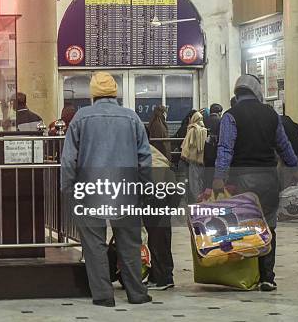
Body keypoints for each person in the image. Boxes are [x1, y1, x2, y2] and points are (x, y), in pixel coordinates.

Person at [61, 72, 152, 307]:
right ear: (115, 92)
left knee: (94, 246)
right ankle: (137, 294)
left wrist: (68, 190)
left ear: (93, 94)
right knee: (130, 244)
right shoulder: (132, 118)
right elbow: (144, 158)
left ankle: (103, 296)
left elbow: (69, 160)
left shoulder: (81, 118)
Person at [212, 74, 298, 292]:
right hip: (269, 179)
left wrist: (219, 177)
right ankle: (267, 277)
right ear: (257, 91)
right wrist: (296, 170)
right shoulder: (271, 114)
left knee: (243, 226)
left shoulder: (231, 116)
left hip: (242, 180)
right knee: (269, 226)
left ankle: (248, 275)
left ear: (237, 92)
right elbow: (284, 146)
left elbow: (225, 148)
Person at [143, 145, 179, 290]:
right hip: (167, 195)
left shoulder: (139, 151)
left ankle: (161, 278)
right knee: (161, 238)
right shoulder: (152, 150)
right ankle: (165, 276)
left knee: (157, 239)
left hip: (157, 197)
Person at [181, 111, 207, 201]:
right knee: (201, 179)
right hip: (202, 158)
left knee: (193, 180)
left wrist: (184, 156)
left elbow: (186, 145)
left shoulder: (192, 130)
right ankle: (202, 197)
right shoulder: (204, 130)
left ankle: (196, 198)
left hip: (192, 159)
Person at [203, 104, 223, 187]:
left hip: (205, 150)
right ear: (219, 112)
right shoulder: (220, 121)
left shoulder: (204, 120)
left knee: (207, 174)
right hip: (216, 151)